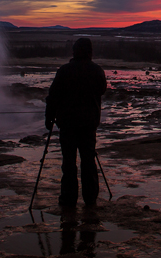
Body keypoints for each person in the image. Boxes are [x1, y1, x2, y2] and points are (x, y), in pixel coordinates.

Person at [45, 37, 107, 207]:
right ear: (89, 52)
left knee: (69, 163)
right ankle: (90, 198)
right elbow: (101, 90)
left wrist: (49, 118)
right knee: (88, 162)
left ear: (74, 51)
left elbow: (53, 97)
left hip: (68, 124)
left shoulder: (64, 71)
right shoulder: (97, 71)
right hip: (88, 124)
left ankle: (68, 198)